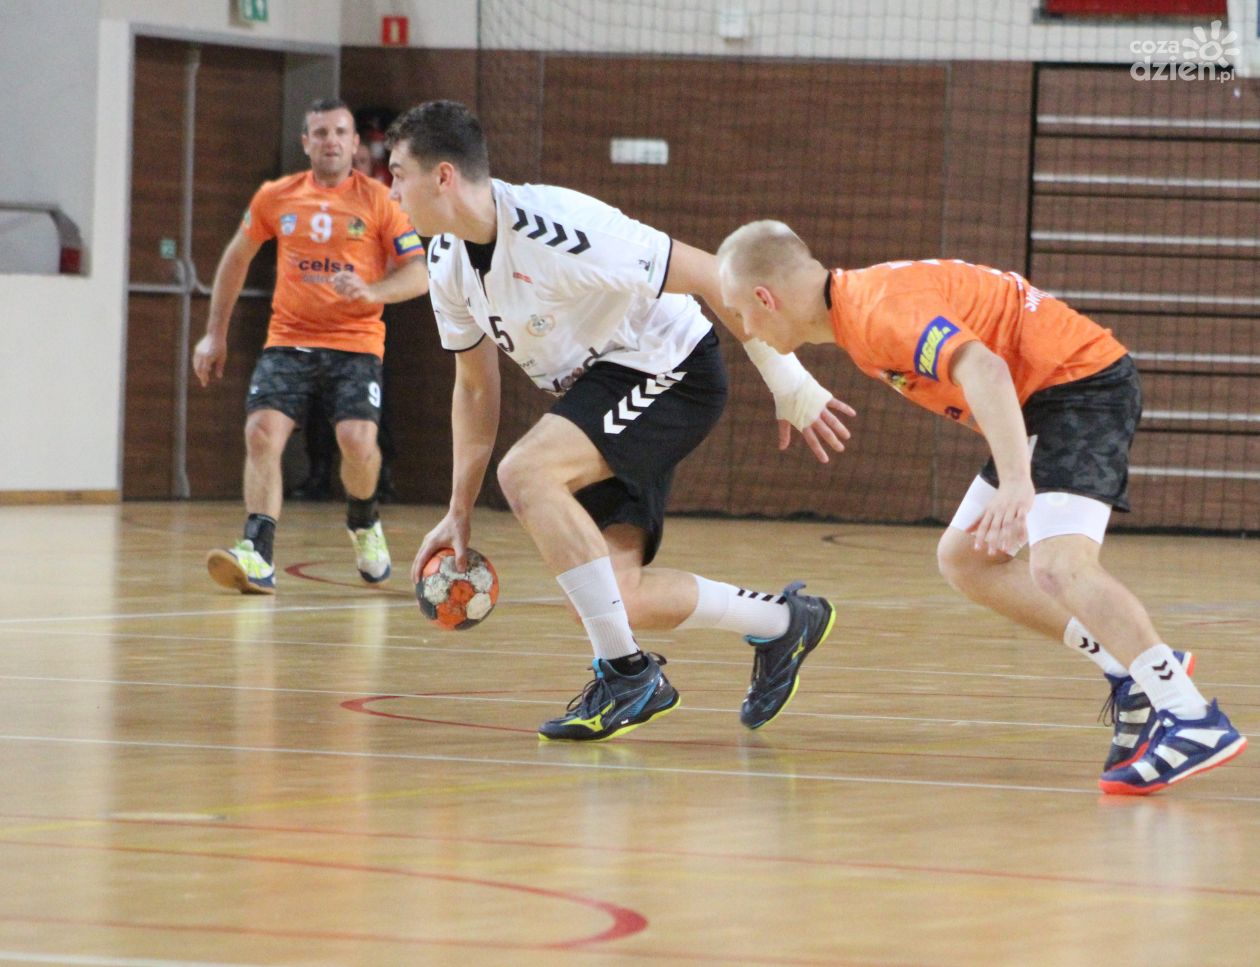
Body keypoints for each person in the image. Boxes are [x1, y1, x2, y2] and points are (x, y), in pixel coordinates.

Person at [715, 219, 1247, 795]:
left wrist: (1017, 480)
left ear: (765, 298)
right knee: (966, 559)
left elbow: (985, 369)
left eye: (741, 314)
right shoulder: (857, 310)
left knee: (1059, 566)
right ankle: (1130, 666)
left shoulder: (875, 312)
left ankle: (1191, 716)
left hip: (1078, 387)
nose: (746, 328)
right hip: (1042, 401)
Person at [385, 100, 855, 740]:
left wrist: (789, 382)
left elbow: (715, 275)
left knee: (526, 472)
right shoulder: (446, 263)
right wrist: (457, 509)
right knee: (613, 596)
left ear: (442, 177)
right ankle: (785, 622)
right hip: (599, 390)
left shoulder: (559, 228)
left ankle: (627, 675)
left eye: (397, 175)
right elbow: (474, 388)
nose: (392, 192)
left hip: (670, 370)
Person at [193, 97, 429, 594]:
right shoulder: (276, 196)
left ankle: (364, 521)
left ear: (355, 143)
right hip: (289, 339)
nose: (331, 141)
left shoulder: (380, 200)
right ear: (305, 143)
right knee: (261, 432)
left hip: (355, 343)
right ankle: (257, 551)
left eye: (340, 132)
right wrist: (215, 333)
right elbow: (236, 259)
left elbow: (420, 272)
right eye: (320, 133)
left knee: (357, 442)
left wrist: (373, 292)